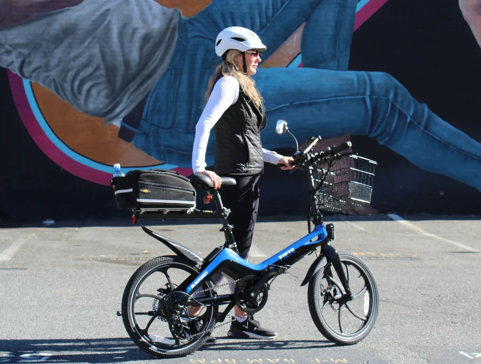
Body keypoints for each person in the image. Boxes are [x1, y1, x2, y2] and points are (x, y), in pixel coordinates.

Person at [1, 0, 481, 193]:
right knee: (383, 99)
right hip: (172, 99)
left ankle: (328, 130)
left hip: (189, 37)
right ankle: (338, 120)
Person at [191, 27, 294, 339]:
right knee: (236, 253)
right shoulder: (228, 83)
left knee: (236, 252)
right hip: (237, 177)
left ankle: (236, 317)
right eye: (254, 53)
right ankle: (196, 307)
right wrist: (199, 168)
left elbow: (247, 141)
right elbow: (204, 123)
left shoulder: (240, 85)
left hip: (246, 172)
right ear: (235, 56)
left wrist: (277, 159)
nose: (259, 58)